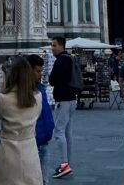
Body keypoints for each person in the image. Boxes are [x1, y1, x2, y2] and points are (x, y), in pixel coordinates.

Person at [0, 55, 43, 185]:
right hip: (30, 151)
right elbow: (37, 116)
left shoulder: (2, 97)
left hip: (8, 151)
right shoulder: (37, 96)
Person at [48, 36, 77, 179]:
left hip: (63, 100)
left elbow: (52, 80)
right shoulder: (70, 58)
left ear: (61, 46)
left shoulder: (61, 60)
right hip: (72, 99)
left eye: (54, 45)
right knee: (67, 132)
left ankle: (64, 164)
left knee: (59, 132)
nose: (52, 48)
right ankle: (68, 164)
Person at [28, 54, 55, 185]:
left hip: (44, 140)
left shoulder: (40, 89)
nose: (41, 74)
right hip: (33, 141)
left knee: (43, 179)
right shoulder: (24, 92)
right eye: (38, 71)